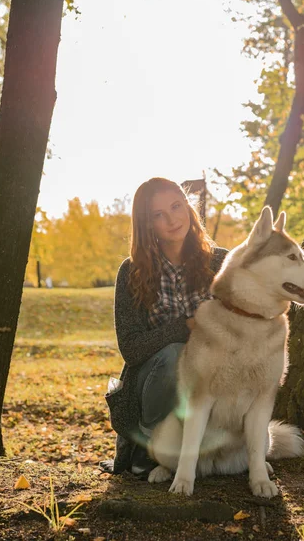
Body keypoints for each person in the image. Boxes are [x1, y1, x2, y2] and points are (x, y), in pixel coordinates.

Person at [100, 177, 228, 477]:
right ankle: (148, 447)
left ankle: (234, 447)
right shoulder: (132, 271)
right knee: (175, 354)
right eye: (159, 215)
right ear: (147, 224)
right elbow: (131, 349)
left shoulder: (221, 261)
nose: (172, 219)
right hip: (155, 382)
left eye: (176, 206)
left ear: (189, 207)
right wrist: (186, 327)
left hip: (213, 377)